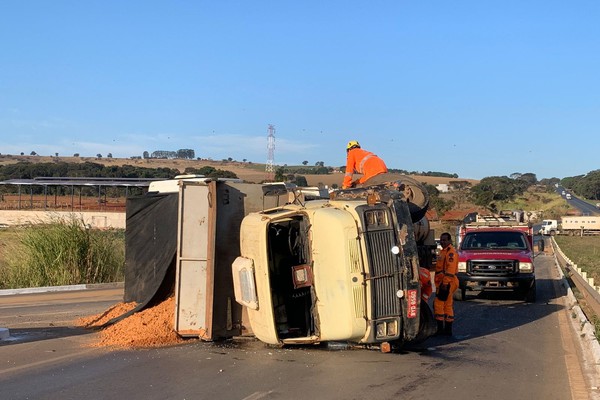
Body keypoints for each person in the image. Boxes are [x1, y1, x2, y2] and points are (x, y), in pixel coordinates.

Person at [433, 232, 459, 336]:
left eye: (444, 240)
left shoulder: (450, 253)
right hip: (443, 282)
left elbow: (450, 269)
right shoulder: (443, 252)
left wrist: (445, 283)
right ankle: (446, 331)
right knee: (447, 305)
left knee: (439, 304)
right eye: (441, 240)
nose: (442, 242)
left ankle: (442, 330)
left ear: (449, 241)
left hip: (447, 282)